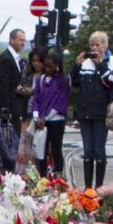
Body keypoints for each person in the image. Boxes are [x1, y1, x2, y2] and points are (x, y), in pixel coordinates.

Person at [70, 31, 113, 188]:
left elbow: (110, 83)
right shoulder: (85, 64)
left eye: (98, 44)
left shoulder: (112, 62)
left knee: (99, 149)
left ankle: (99, 186)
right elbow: (74, 83)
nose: (95, 48)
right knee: (88, 149)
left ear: (105, 45)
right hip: (85, 112)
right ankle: (88, 186)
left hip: (102, 113)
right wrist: (77, 65)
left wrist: (101, 64)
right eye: (92, 45)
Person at [27, 51, 69, 180]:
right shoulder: (40, 80)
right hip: (41, 121)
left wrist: (46, 118)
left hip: (56, 120)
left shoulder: (64, 79)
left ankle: (58, 178)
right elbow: (36, 100)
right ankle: (42, 178)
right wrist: (36, 117)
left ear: (57, 65)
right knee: (41, 151)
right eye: (46, 66)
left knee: (56, 150)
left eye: (51, 66)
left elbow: (61, 101)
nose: (47, 69)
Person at [0, 28, 30, 173]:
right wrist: (6, 108)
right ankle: (7, 170)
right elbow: (4, 85)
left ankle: (10, 169)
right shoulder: (6, 58)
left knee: (13, 140)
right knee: (8, 141)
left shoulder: (16, 58)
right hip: (8, 109)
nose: (23, 43)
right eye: (20, 40)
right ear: (12, 40)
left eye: (24, 40)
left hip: (14, 107)